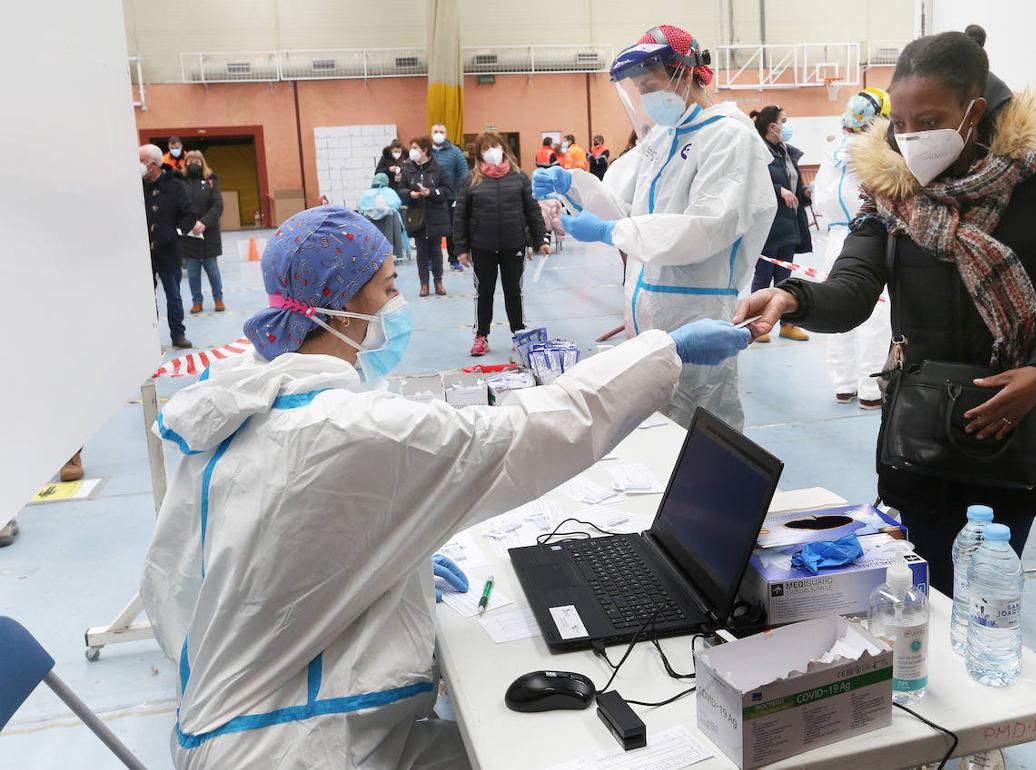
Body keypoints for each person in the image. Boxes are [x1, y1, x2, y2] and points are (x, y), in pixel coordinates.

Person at [140, 204, 749, 769]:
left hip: (226, 721)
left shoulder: (240, 400)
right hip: (295, 745)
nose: (398, 300)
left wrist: (368, 573)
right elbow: (528, 432)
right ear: (341, 308)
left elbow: (196, 572)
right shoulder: (349, 429)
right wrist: (665, 350)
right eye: (388, 286)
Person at [735, 31, 1036, 594]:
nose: (909, 138)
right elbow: (853, 286)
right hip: (919, 438)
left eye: (927, 119)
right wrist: (793, 297)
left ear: (972, 111)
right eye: (899, 123)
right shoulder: (891, 193)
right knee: (919, 599)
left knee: (985, 598)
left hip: (1011, 425)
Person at [533, 24, 776, 430]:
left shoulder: (728, 136)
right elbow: (624, 210)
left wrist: (612, 233)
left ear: (688, 72)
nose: (646, 99)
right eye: (639, 90)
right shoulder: (662, 138)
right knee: (656, 430)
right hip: (646, 311)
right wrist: (571, 183)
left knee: (703, 428)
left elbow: (706, 227)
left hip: (696, 313)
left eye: (650, 85)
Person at [814, 88, 893, 408]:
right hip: (868, 238)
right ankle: (871, 390)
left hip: (833, 240)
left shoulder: (831, 152)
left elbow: (820, 200)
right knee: (876, 317)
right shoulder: (877, 153)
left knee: (836, 309)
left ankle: (843, 385)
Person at [453, 133, 550, 356]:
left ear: (503, 148)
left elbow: (532, 210)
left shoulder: (519, 177)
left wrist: (540, 240)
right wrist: (461, 249)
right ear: (479, 153)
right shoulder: (470, 180)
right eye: (486, 148)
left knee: (513, 291)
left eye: (494, 145)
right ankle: (481, 337)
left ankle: (519, 333)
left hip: (513, 244)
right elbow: (460, 217)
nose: (492, 150)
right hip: (482, 247)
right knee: (483, 293)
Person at [748, 105, 812, 344]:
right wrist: (778, 190)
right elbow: (752, 183)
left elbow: (793, 185)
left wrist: (804, 193)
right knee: (763, 276)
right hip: (768, 226)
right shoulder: (758, 151)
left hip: (789, 224)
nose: (788, 125)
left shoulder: (786, 152)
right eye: (784, 121)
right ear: (772, 126)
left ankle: (787, 324)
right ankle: (755, 324)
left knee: (785, 279)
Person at [141, 143, 196, 349]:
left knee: (173, 295)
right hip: (145, 253)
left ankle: (178, 334)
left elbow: (189, 214)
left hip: (169, 251)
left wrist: (178, 232)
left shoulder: (174, 186)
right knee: (147, 297)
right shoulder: (136, 187)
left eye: (141, 161)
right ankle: (151, 337)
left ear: (153, 165)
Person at [398, 137, 453, 297]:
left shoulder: (439, 169)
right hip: (417, 217)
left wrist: (432, 193)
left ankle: (438, 282)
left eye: (415, 147)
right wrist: (411, 194)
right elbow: (401, 190)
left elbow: (447, 189)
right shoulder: (407, 169)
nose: (412, 151)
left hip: (435, 215)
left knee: (436, 251)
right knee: (421, 252)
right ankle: (424, 284)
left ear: (424, 150)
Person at [180, 150, 226, 314]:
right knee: (192, 271)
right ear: (185, 163)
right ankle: (196, 301)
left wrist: (204, 222)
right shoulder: (180, 181)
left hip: (209, 233)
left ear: (202, 163)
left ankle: (218, 299)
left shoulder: (211, 181)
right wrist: (190, 223)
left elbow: (217, 205)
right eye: (190, 161)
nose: (193, 165)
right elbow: (178, 206)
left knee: (212, 268)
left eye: (197, 162)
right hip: (189, 234)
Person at [430, 124, 470, 271]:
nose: (438, 134)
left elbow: (464, 174)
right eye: (435, 131)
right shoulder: (425, 152)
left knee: (453, 230)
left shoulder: (455, 152)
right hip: (431, 199)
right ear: (431, 134)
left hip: (452, 198)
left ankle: (453, 259)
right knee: (431, 231)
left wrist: (461, 195)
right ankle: (430, 260)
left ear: (446, 134)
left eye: (441, 132)